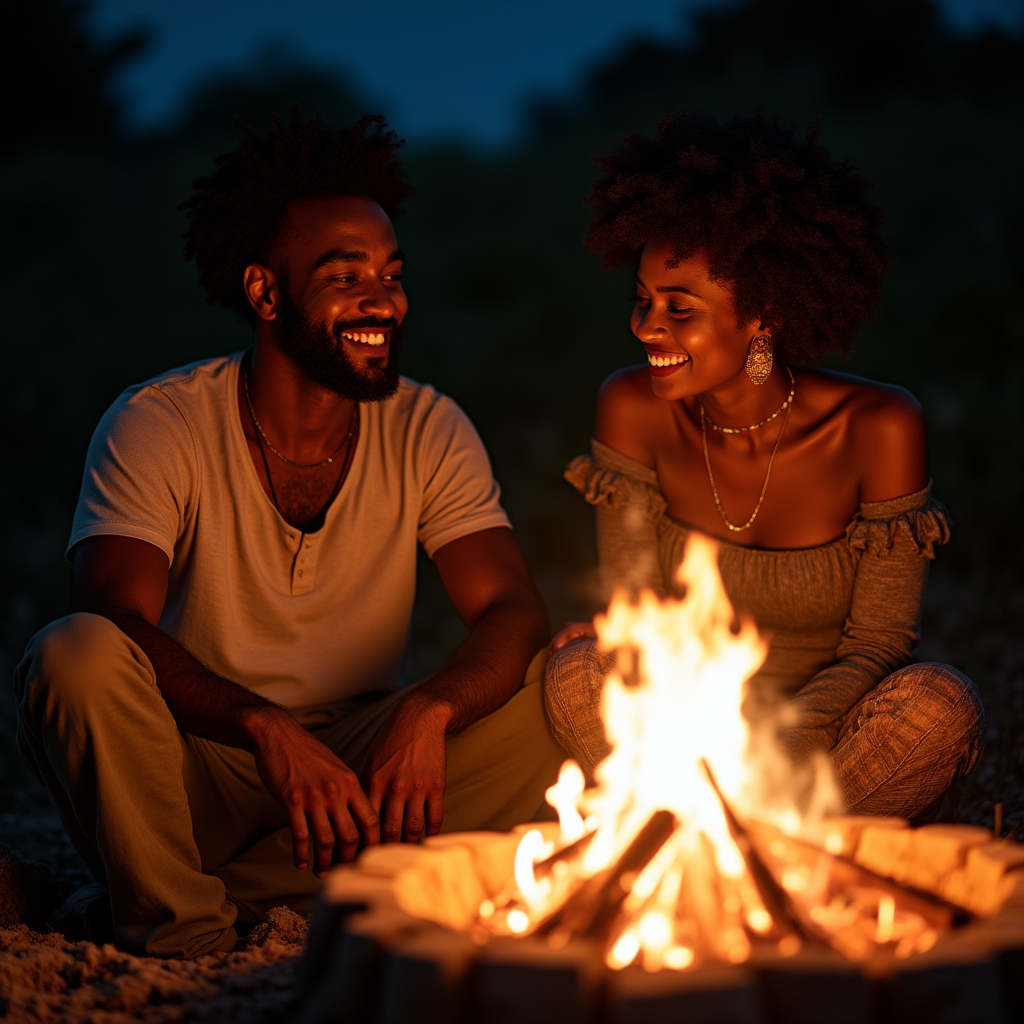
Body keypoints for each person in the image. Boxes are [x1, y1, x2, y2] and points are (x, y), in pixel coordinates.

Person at [13, 112, 565, 958]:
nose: (382, 300)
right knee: (72, 653)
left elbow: (511, 607)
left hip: (361, 766)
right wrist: (268, 729)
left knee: (562, 696)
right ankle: (188, 924)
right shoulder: (159, 421)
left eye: (391, 273)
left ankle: (137, 903)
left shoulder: (428, 424)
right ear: (266, 292)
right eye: (347, 277)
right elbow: (116, 619)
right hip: (194, 765)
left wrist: (428, 708)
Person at [543, 111, 983, 823]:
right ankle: (743, 849)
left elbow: (878, 646)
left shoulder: (877, 426)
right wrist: (681, 709)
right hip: (685, 734)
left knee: (939, 703)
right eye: (643, 301)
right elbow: (640, 611)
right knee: (576, 673)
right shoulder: (632, 406)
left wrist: (774, 743)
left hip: (828, 742)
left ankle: (735, 845)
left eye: (678, 309)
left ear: (764, 312)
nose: (646, 327)